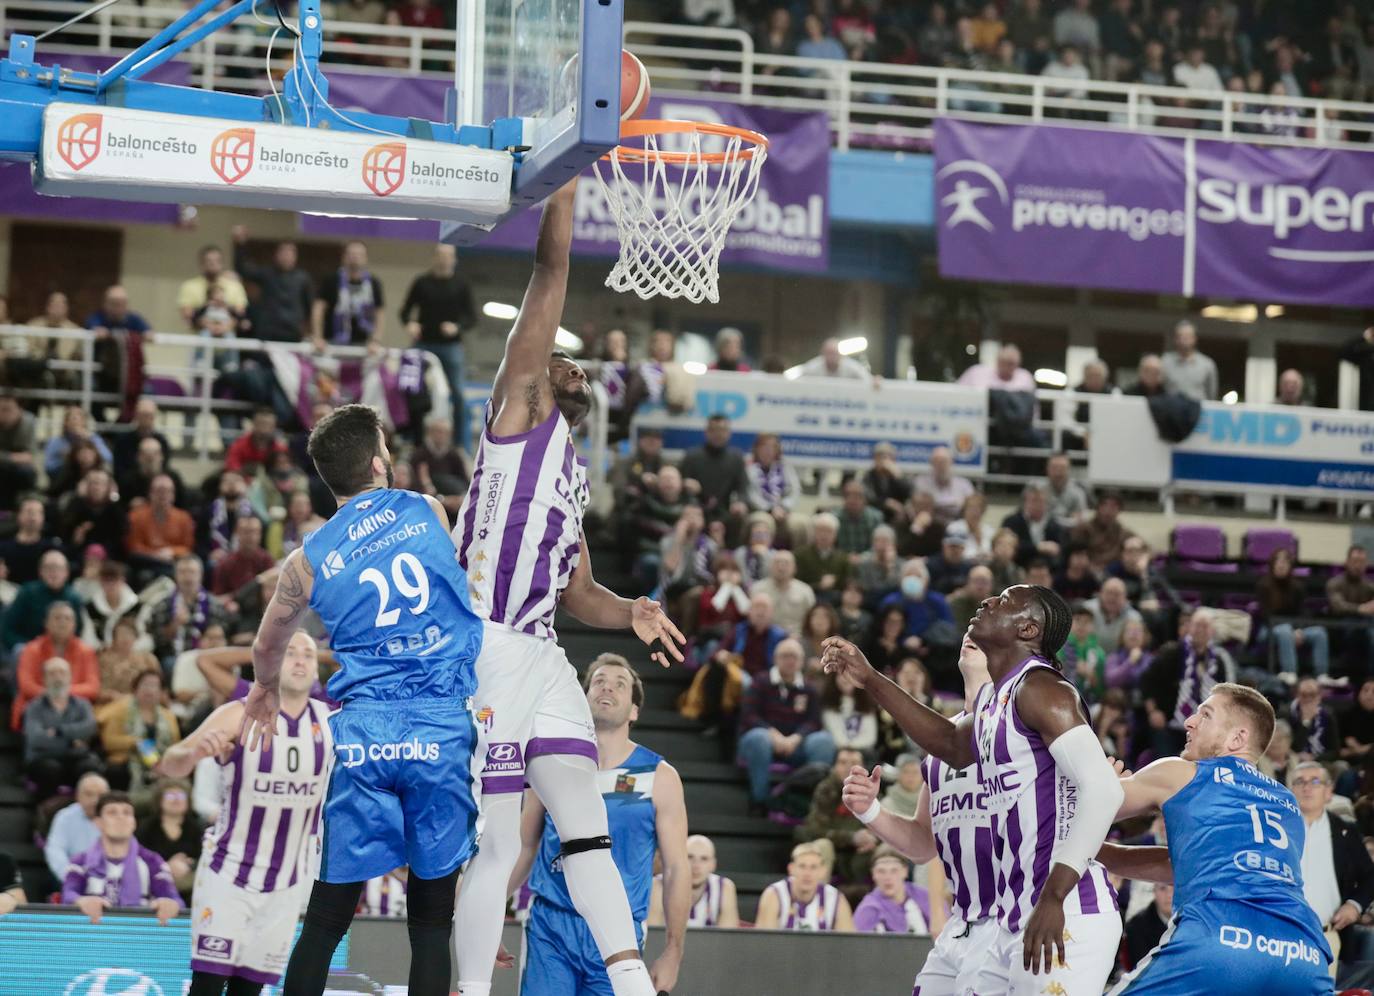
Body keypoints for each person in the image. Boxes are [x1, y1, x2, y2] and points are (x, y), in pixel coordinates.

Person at [447, 183, 685, 996]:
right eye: (559, 355)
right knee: (495, 846)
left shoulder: (574, 474)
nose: (569, 359)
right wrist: (566, 175)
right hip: (488, 645)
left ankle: (628, 980)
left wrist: (631, 612)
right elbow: (549, 275)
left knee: (585, 827)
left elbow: (578, 590)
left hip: (544, 654)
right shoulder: (520, 409)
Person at [232, 404, 484, 996]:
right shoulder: (426, 508)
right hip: (439, 725)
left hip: (366, 733)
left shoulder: (307, 560)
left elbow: (268, 643)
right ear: (378, 461)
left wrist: (265, 687)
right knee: (429, 922)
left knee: (324, 919)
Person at [823, 584, 1124, 994]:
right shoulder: (993, 704)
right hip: (1013, 915)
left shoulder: (1043, 689)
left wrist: (1054, 896)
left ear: (1028, 629)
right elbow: (947, 743)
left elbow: (1105, 791)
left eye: (1004, 602)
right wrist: (870, 678)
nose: (987, 602)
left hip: (1065, 905)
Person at [1095, 684, 1332, 994]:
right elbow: (1192, 864)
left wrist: (1104, 783)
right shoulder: (1286, 802)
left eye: (1205, 715)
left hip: (1219, 940)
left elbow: (1080, 811)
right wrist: (1104, 855)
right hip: (1303, 953)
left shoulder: (1183, 772)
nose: (1190, 722)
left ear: (1238, 738)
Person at [157, 629, 332, 995]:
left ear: (317, 670)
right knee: (207, 984)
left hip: (287, 882)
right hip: (228, 872)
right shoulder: (240, 712)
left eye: (308, 655)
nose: (299, 660)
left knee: (248, 991)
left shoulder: (333, 721)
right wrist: (191, 754)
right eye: (290, 652)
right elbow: (169, 764)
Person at [509, 654, 689, 995]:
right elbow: (524, 845)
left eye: (620, 684)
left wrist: (674, 951)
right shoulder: (551, 762)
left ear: (634, 710)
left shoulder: (659, 776)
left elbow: (678, 868)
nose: (607, 687)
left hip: (617, 931)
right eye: (599, 681)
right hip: (551, 925)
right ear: (582, 696)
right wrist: (487, 919)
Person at [841, 636, 997, 991]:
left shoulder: (1025, 728)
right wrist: (871, 811)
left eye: (985, 633)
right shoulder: (939, 746)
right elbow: (925, 843)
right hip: (965, 920)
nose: (971, 635)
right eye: (969, 630)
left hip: (1016, 918)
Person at [736, 638, 835, 812]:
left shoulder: (809, 688)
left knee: (824, 741)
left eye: (795, 657)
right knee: (759, 737)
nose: (790, 660)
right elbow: (749, 716)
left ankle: (809, 803)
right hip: (761, 741)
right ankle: (760, 800)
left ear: (802, 661)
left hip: (795, 745)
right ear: (775, 658)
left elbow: (814, 722)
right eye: (785, 656)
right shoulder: (760, 681)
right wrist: (774, 735)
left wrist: (796, 739)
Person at [62, 791, 182, 925]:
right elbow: (68, 894)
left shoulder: (153, 861)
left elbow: (174, 898)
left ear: (134, 822)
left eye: (127, 813)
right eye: (112, 812)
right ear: (98, 822)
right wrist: (81, 901)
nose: (121, 817)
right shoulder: (79, 862)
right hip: (94, 936)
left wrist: (169, 904)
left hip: (139, 936)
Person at [400, 243, 478, 444]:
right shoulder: (421, 282)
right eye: (440, 255)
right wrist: (410, 324)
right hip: (423, 344)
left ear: (454, 260)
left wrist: (457, 327)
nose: (444, 260)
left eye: (448, 256)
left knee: (459, 394)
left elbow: (472, 317)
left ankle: (461, 445)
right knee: (409, 387)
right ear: (434, 258)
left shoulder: (462, 284)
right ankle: (410, 439)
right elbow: (405, 311)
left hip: (450, 347)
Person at [1141, 610, 1237, 758]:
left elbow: (1225, 693)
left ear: (1212, 631)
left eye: (1205, 627)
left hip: (1203, 728)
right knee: (1169, 762)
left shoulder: (1218, 660)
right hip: (1169, 723)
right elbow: (1147, 681)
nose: (1201, 631)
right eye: (1197, 625)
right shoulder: (1171, 652)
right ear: (1189, 627)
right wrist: (1153, 711)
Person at [11, 599, 98, 731]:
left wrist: (62, 695)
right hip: (38, 707)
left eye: (67, 618)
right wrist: (53, 697)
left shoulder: (86, 651)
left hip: (74, 708)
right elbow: (26, 686)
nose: (62, 622)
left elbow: (92, 688)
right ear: (46, 623)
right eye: (57, 618)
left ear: (74, 624)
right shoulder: (31, 649)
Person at [23, 656, 102, 801]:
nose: (58, 677)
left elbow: (90, 728)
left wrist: (59, 732)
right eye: (52, 673)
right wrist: (72, 742)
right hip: (44, 759)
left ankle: (88, 813)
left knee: (90, 766)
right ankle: (45, 815)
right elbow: (36, 739)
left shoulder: (82, 704)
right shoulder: (34, 707)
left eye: (62, 673)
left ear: (70, 677)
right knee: (49, 769)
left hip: (76, 759)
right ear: (44, 679)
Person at [798, 746, 880, 884]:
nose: (849, 768)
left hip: (862, 854)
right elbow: (814, 830)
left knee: (887, 851)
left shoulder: (871, 790)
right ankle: (819, 898)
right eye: (843, 762)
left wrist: (873, 839)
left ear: (864, 767)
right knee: (823, 846)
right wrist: (851, 838)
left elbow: (882, 825)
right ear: (834, 766)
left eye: (854, 763)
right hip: (834, 851)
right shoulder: (825, 790)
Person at [1256, 547, 1331, 683]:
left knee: (1319, 633)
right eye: (1278, 562)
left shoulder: (1298, 587)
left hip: (1293, 628)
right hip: (1268, 630)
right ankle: (1290, 672)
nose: (1281, 565)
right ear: (1272, 565)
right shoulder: (1263, 586)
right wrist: (1291, 630)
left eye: (1285, 562)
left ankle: (1322, 675)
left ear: (1290, 566)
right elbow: (1265, 615)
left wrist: (1298, 629)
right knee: (1284, 630)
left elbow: (1301, 613)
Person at [754, 840, 854, 931]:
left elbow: (847, 945)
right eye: (802, 866)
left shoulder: (836, 899)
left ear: (823, 871)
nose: (807, 874)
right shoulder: (774, 895)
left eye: (813, 867)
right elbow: (765, 945)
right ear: (791, 869)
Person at [679, 414, 751, 541]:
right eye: (714, 430)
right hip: (697, 510)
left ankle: (731, 557)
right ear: (706, 432)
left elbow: (743, 488)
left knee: (740, 517)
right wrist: (686, 486)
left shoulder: (736, 458)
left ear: (729, 433)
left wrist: (740, 502)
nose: (718, 434)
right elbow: (680, 487)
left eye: (722, 430)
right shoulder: (692, 456)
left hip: (726, 513)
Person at [649, 834, 740, 929]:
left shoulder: (724, 887)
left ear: (713, 864)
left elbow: (728, 940)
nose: (696, 866)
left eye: (704, 859)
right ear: (680, 859)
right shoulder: (659, 885)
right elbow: (653, 936)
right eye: (690, 857)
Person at [135, 779, 203, 902]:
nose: (176, 800)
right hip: (154, 885)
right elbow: (138, 857)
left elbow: (206, 858)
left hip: (191, 887)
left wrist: (190, 865)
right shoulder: (145, 828)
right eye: (170, 795)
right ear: (159, 800)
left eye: (181, 795)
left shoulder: (198, 828)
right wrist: (166, 866)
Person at [312, 241, 385, 347]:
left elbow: (379, 313)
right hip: (332, 341)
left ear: (366, 258)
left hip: (363, 343)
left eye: (359, 254)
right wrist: (317, 337)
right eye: (351, 254)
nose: (355, 257)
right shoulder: (331, 280)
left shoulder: (373, 283)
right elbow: (318, 309)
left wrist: (376, 340)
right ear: (344, 257)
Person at [44, 771, 109, 886]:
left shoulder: (117, 818)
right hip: (72, 876)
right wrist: (70, 877)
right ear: (78, 796)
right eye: (89, 794)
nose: (95, 800)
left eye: (101, 795)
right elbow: (55, 850)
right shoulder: (64, 817)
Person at [853, 846, 933, 934]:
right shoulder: (867, 909)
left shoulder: (926, 898)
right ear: (873, 874)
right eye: (881, 871)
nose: (887, 877)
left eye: (894, 871)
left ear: (905, 872)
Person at [1001, 483, 1068, 568]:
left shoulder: (1054, 525)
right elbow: (1011, 546)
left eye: (1041, 501)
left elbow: (1060, 548)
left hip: (1048, 570)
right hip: (1019, 567)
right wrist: (1038, 547)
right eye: (1034, 500)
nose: (1038, 505)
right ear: (1025, 502)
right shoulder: (1011, 522)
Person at [751, 551, 815, 638]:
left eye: (786, 563)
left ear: (795, 568)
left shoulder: (805, 591)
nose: (781, 567)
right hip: (765, 638)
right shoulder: (757, 589)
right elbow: (751, 618)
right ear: (770, 567)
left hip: (797, 638)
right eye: (777, 563)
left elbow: (812, 619)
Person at [912, 447, 976, 525]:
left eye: (944, 462)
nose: (941, 466)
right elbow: (920, 507)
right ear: (931, 464)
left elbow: (973, 506)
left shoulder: (964, 484)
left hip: (959, 526)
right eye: (937, 462)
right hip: (930, 526)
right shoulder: (921, 482)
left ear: (951, 463)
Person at [794, 512, 850, 597]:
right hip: (807, 596)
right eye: (821, 530)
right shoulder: (800, 554)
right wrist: (818, 585)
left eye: (828, 531)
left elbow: (845, 584)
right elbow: (796, 583)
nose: (824, 535)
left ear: (835, 535)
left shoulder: (843, 558)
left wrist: (835, 582)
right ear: (815, 532)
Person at [1160, 320, 1219, 402]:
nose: (1184, 339)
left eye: (1188, 336)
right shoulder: (1165, 362)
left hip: (1199, 411)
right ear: (1175, 339)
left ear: (1194, 338)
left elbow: (1211, 395)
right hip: (1171, 411)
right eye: (1181, 336)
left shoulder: (1207, 364)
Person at [0, 390, 38, 508]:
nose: (2, 413)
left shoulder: (28, 422)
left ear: (20, 410)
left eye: (7, 409)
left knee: (25, 472)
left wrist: (5, 457)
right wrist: (15, 457)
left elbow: (29, 457)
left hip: (18, 470)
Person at [1124, 882, 1173, 970]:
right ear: (1154, 891)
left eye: (1174, 889)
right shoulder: (1136, 927)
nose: (1169, 895)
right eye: (1162, 888)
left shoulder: (1193, 923)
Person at [861, 442, 912, 524]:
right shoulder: (869, 476)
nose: (882, 461)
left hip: (898, 516)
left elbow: (910, 493)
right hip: (876, 515)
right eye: (879, 457)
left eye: (886, 457)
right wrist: (886, 502)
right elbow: (869, 497)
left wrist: (898, 477)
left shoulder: (898, 476)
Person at [956, 343, 1036, 392]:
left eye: (1011, 363)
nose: (1007, 367)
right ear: (998, 361)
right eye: (1004, 362)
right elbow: (956, 392)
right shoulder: (976, 372)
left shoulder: (1025, 377)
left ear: (1017, 364)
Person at [835, 480, 885, 557]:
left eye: (857, 496)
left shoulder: (876, 518)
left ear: (865, 499)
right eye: (848, 495)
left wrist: (862, 557)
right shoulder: (834, 518)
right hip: (840, 561)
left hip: (868, 561)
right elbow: (829, 546)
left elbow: (879, 545)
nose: (852, 499)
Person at [1044, 452, 1091, 528]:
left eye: (1062, 468)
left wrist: (1054, 520)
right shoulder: (1038, 491)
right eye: (1054, 467)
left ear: (1069, 469)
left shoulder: (1078, 492)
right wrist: (1069, 520)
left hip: (1069, 535)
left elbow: (1081, 520)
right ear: (1047, 469)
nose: (1058, 472)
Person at [797, 337, 870, 379]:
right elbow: (797, 382)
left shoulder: (852, 367)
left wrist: (875, 381)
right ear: (823, 354)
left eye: (834, 353)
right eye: (829, 353)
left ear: (840, 354)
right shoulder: (812, 368)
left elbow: (868, 380)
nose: (832, 357)